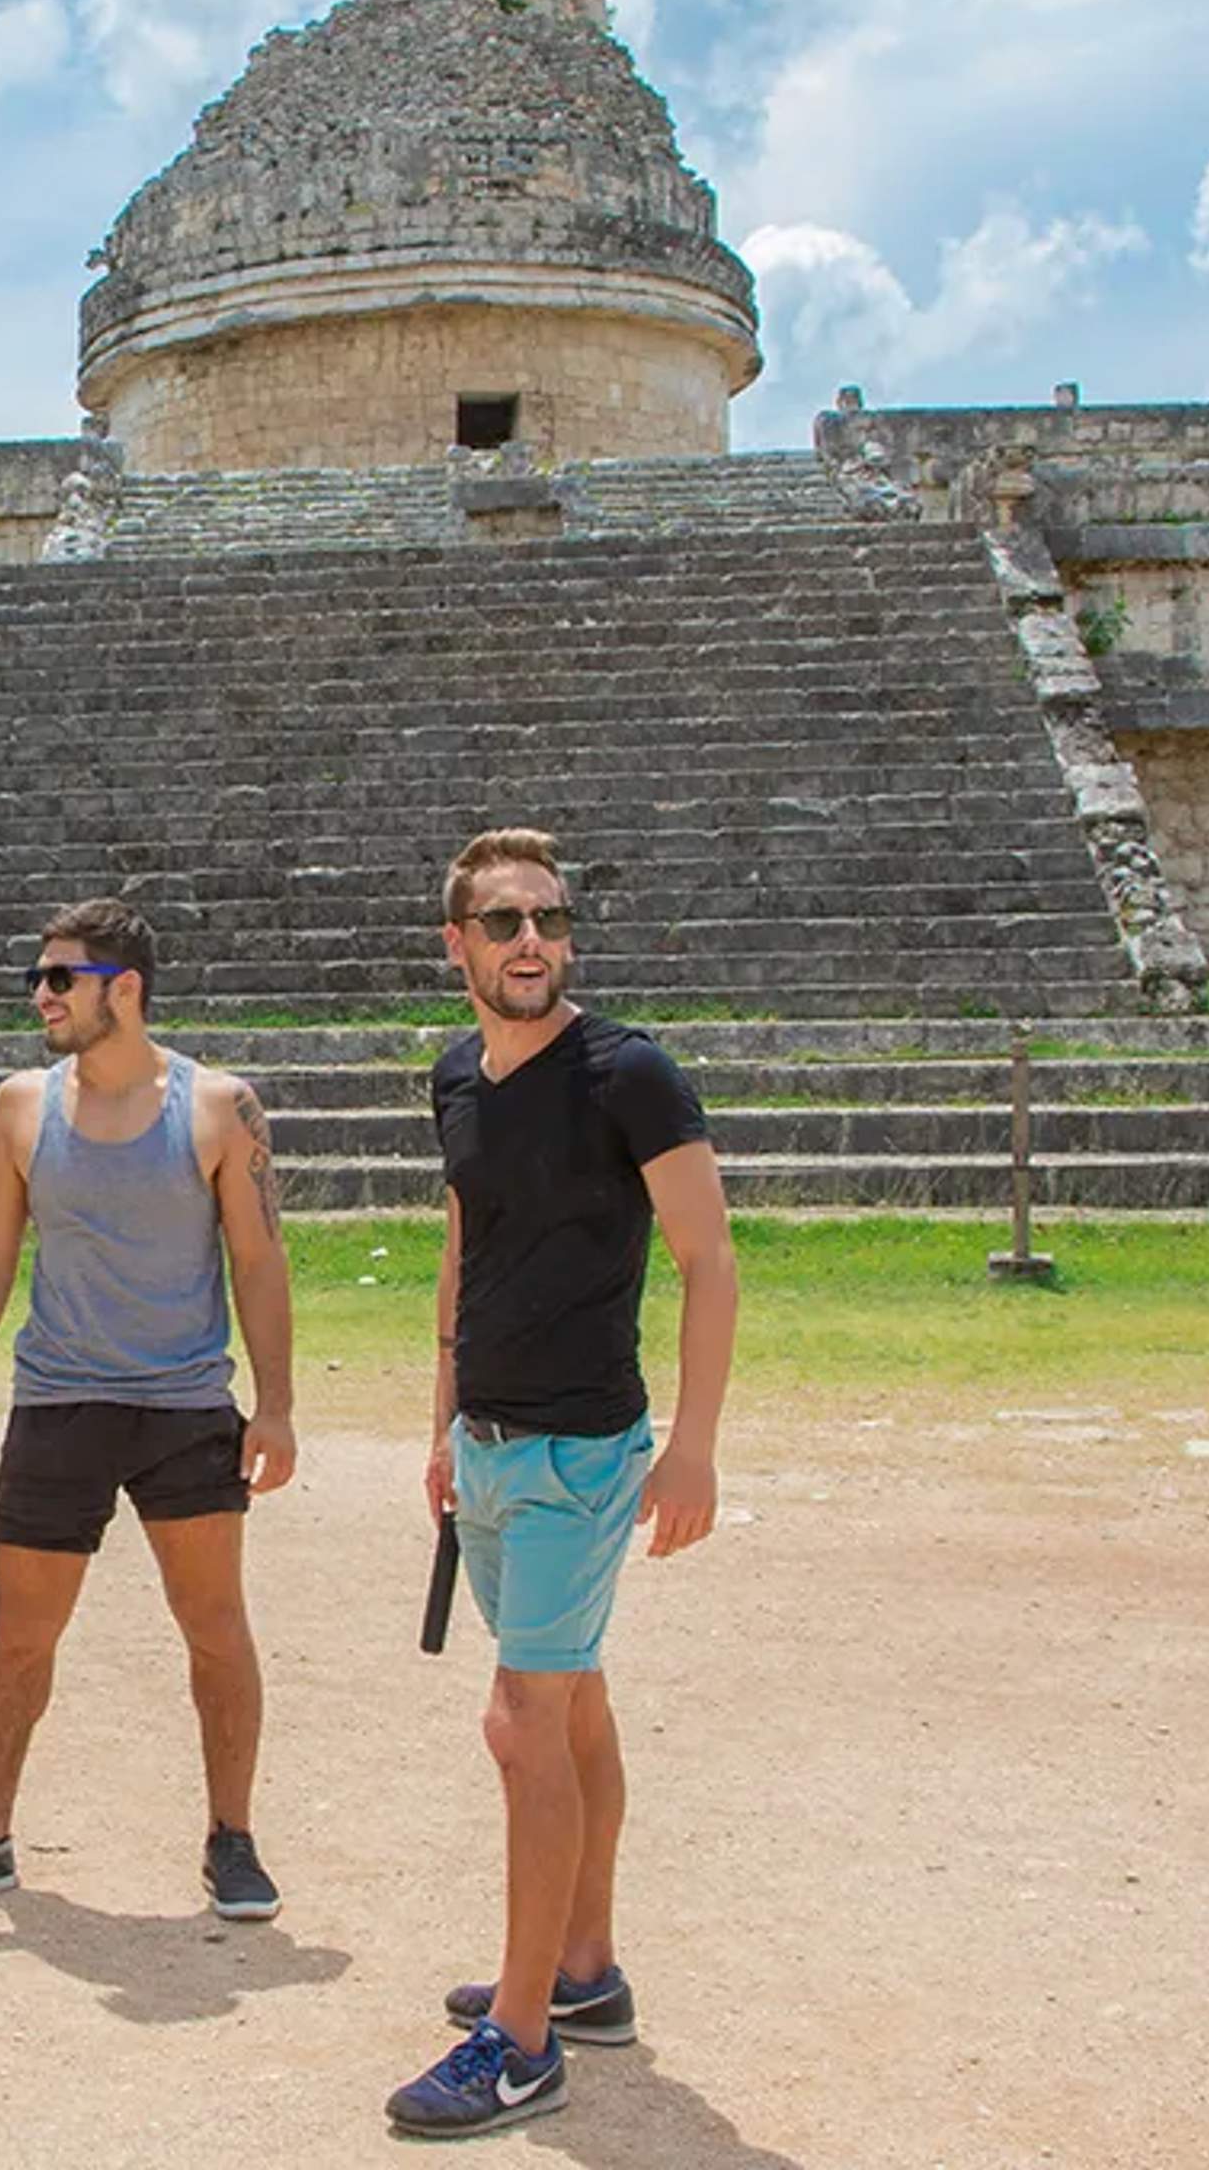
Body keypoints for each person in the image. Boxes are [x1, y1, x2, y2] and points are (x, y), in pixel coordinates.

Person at [385, 827, 737, 2141]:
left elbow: (709, 1260)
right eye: (501, 921)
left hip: (584, 1450)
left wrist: (693, 1446)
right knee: (572, 1702)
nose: (529, 938)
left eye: (548, 917)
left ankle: (523, 2040)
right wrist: (441, 1421)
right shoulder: (456, 1075)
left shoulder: (628, 1072)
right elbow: (466, 1238)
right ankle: (584, 1974)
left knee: (522, 1724)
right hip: (486, 1442)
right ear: (457, 945)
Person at [0, 897, 299, 1921]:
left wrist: (277, 1405)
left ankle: (232, 1839)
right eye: (40, 976)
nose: (41, 995)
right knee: (20, 1634)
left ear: (126, 988)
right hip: (60, 1400)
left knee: (214, 1626)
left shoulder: (219, 1107)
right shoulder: (22, 1104)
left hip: (184, 1404)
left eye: (60, 977)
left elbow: (259, 1257)